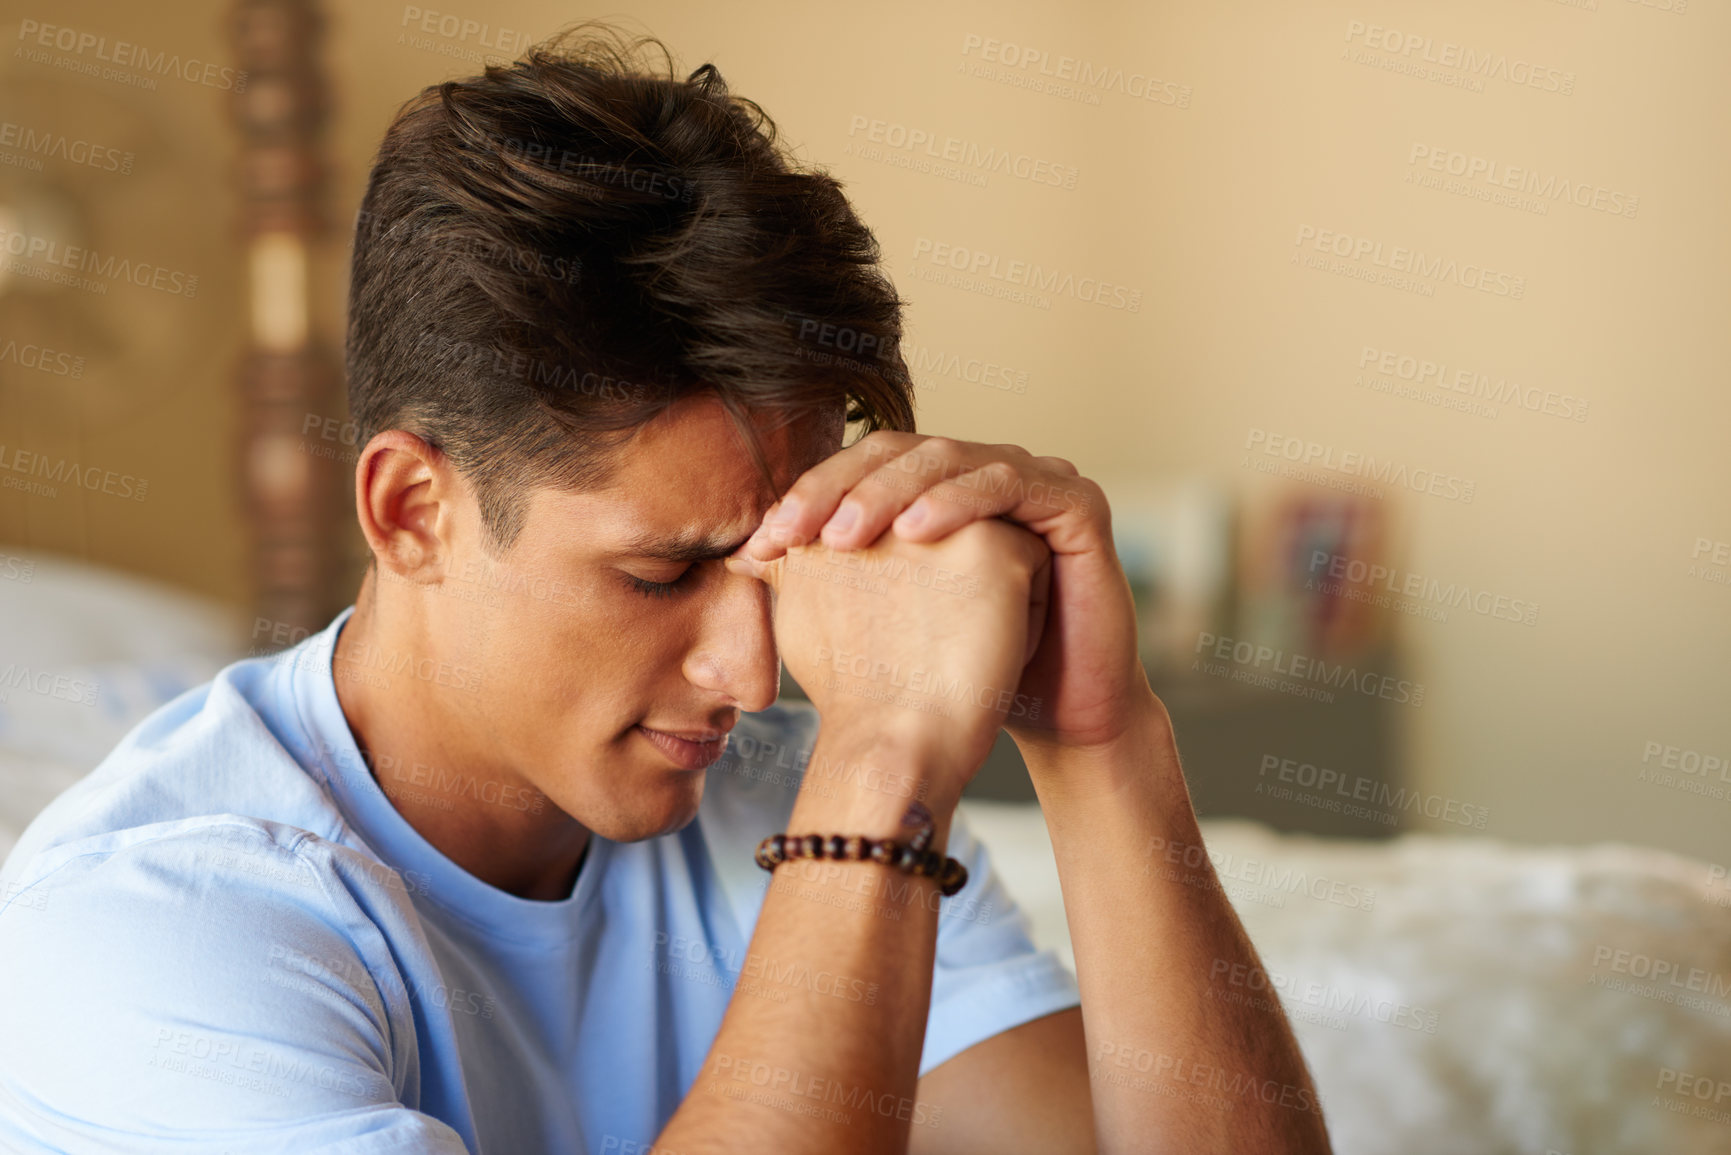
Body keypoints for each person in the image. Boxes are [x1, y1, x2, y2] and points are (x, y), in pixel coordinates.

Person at [0, 26, 1329, 1155]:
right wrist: (875, 769)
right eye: (662, 574)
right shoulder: (149, 928)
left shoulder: (782, 793)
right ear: (413, 510)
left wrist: (1100, 740)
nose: (754, 676)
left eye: (783, 564)